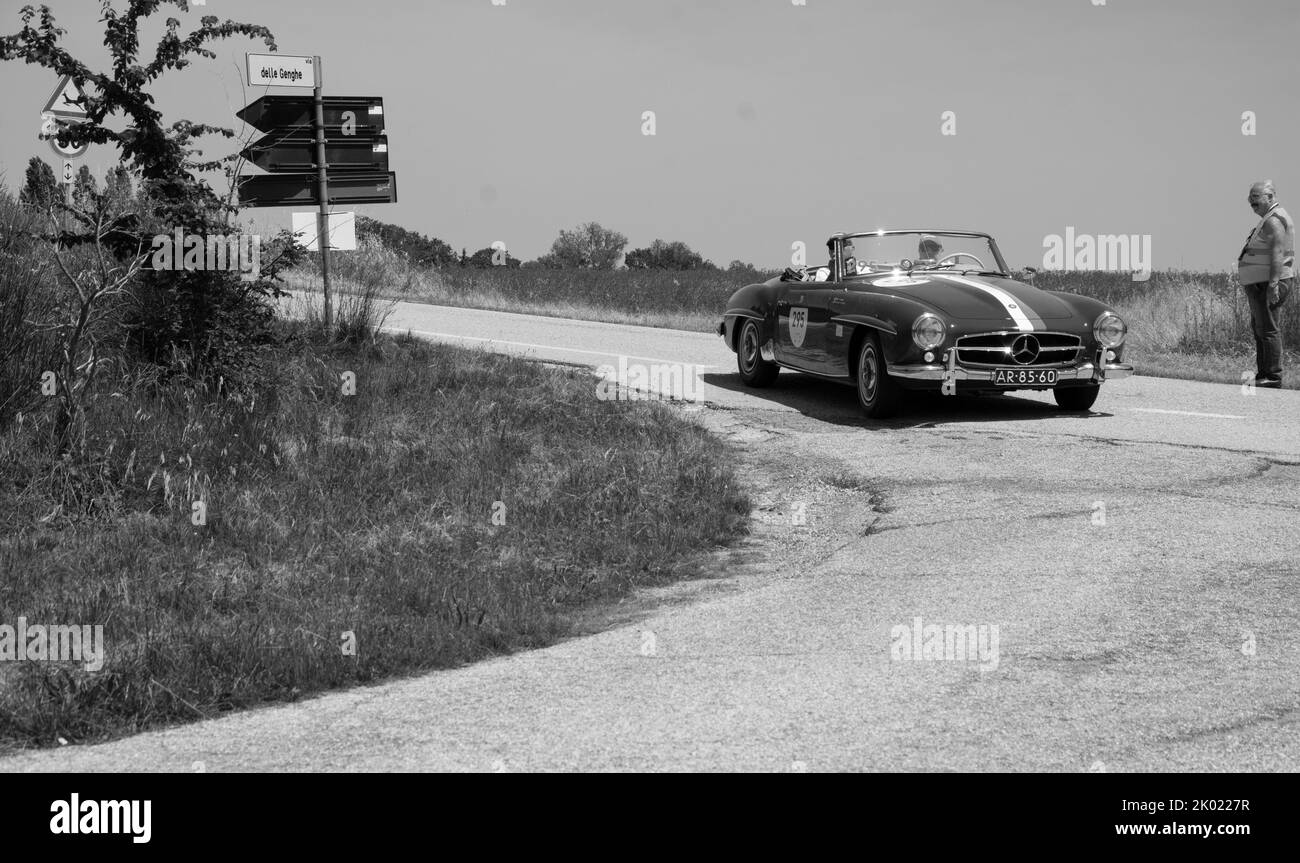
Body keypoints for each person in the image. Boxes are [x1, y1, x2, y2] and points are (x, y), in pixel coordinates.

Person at [1238, 180, 1295, 387]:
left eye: (1256, 197)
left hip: (1267, 283)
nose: (1251, 201)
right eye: (1250, 197)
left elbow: (1277, 252)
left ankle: (1272, 376)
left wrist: (1272, 285)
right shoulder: (1269, 218)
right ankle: (1264, 374)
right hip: (1260, 282)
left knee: (1268, 329)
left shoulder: (1273, 220)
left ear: (1270, 197)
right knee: (1260, 327)